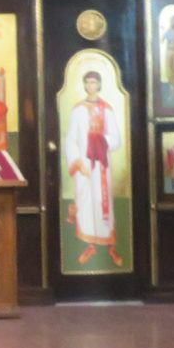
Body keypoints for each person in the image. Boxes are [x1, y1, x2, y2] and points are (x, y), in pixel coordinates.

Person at [64, 70, 123, 267]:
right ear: (84, 85)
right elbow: (71, 139)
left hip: (102, 166)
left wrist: (99, 140)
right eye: (88, 82)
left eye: (94, 82)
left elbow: (116, 139)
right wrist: (79, 163)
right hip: (85, 166)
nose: (91, 86)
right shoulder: (78, 110)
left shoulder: (108, 109)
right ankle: (90, 245)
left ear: (99, 85)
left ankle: (110, 246)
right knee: (86, 202)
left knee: (102, 201)